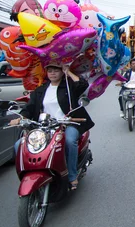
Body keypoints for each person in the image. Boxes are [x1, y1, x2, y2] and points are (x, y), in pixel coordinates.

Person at [10, 62, 94, 190]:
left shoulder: (68, 86)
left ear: (61, 72)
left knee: (70, 141)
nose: (53, 73)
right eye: (50, 71)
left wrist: (69, 72)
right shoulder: (41, 90)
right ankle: (29, 173)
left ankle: (72, 175)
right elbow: (29, 107)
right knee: (19, 145)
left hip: (68, 123)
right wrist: (20, 118)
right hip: (45, 126)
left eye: (56, 70)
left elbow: (82, 85)